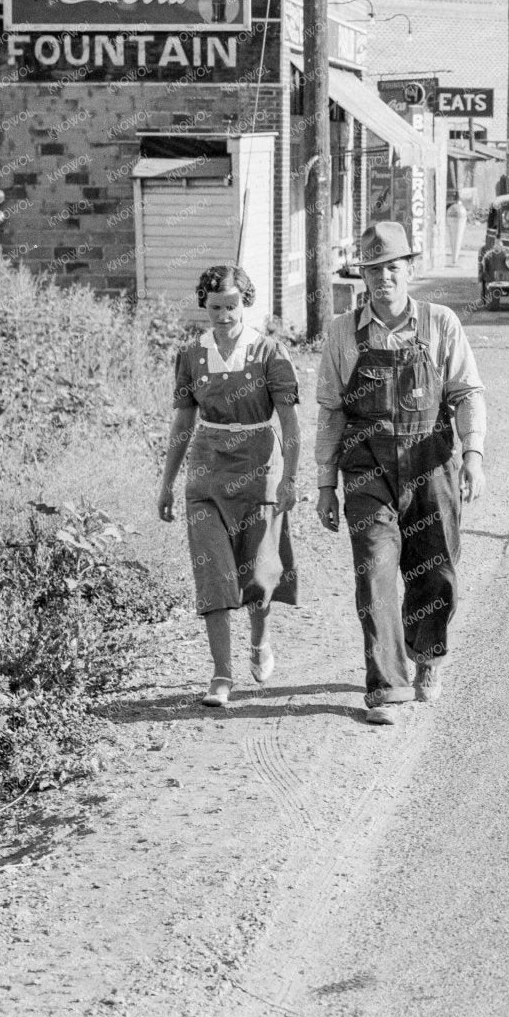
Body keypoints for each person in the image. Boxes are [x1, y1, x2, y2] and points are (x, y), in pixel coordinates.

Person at [314, 222, 489, 724]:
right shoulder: (342, 332)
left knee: (434, 569)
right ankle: (387, 686)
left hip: (431, 464)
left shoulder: (440, 323)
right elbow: (331, 411)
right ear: (363, 275)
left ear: (409, 268)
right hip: (367, 470)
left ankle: (427, 657)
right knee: (374, 575)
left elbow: (466, 393)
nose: (384, 278)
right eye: (373, 269)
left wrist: (473, 454)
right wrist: (326, 483)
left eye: (392, 267)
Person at [157, 265, 301, 708]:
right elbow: (183, 423)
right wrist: (167, 483)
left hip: (259, 469)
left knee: (257, 574)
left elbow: (291, 425)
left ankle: (259, 639)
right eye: (215, 307)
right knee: (214, 575)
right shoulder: (191, 355)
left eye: (232, 306)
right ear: (205, 305)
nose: (223, 316)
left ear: (246, 303)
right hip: (206, 472)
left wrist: (291, 478)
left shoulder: (269, 353)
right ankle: (221, 673)